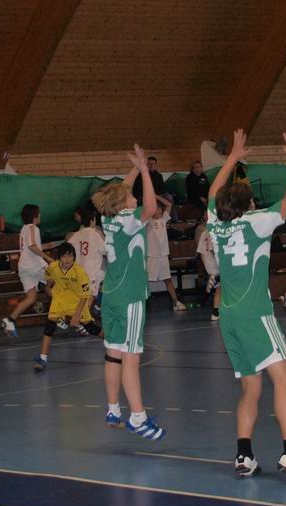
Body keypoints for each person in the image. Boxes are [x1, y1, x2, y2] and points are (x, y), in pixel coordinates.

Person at [206, 128, 286, 479]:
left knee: (251, 386)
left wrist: (231, 159)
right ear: (248, 206)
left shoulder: (216, 225)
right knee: (284, 378)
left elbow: (212, 193)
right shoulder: (256, 223)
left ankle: (244, 455)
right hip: (255, 314)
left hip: (229, 318)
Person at [92, 144, 165, 440]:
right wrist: (145, 171)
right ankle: (138, 417)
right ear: (124, 204)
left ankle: (113, 409)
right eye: (129, 197)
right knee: (132, 357)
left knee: (113, 354)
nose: (132, 195)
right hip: (130, 298)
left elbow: (120, 191)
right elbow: (151, 208)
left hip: (111, 294)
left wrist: (135, 167)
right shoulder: (129, 220)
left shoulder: (109, 218)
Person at [33, 242, 103, 372]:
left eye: (70, 256)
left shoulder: (80, 272)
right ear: (59, 257)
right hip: (59, 299)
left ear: (74, 257)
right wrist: (48, 287)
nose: (67, 259)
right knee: (49, 326)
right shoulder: (53, 267)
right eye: (64, 256)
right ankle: (43, 359)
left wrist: (76, 315)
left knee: (91, 329)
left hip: (77, 301)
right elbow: (49, 276)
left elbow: (85, 296)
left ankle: (113, 342)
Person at [1, 204, 53, 337]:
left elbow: (30, 246)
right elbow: (31, 246)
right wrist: (48, 258)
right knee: (58, 281)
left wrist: (45, 246)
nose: (40, 215)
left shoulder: (24, 229)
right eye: (38, 213)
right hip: (34, 265)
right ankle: (59, 316)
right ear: (34, 215)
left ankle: (10, 320)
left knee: (31, 297)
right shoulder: (32, 228)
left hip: (24, 267)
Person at [145, 195, 186, 311]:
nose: (159, 210)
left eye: (159, 209)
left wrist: (155, 196)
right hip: (152, 256)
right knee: (145, 280)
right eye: (156, 209)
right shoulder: (148, 222)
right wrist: (150, 202)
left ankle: (176, 302)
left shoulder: (163, 220)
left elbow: (169, 204)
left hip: (163, 256)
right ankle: (140, 302)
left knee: (168, 279)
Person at [67, 207, 106, 304]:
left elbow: (68, 247)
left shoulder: (76, 234)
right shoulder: (95, 233)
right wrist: (102, 237)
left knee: (84, 297)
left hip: (79, 271)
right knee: (89, 297)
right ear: (92, 220)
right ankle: (85, 312)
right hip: (91, 272)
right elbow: (105, 250)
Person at [195, 222, 221, 321]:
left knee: (220, 287)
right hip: (216, 264)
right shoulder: (214, 231)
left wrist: (208, 269)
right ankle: (216, 313)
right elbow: (213, 250)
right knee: (221, 287)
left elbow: (200, 252)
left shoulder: (204, 232)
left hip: (209, 264)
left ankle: (216, 313)